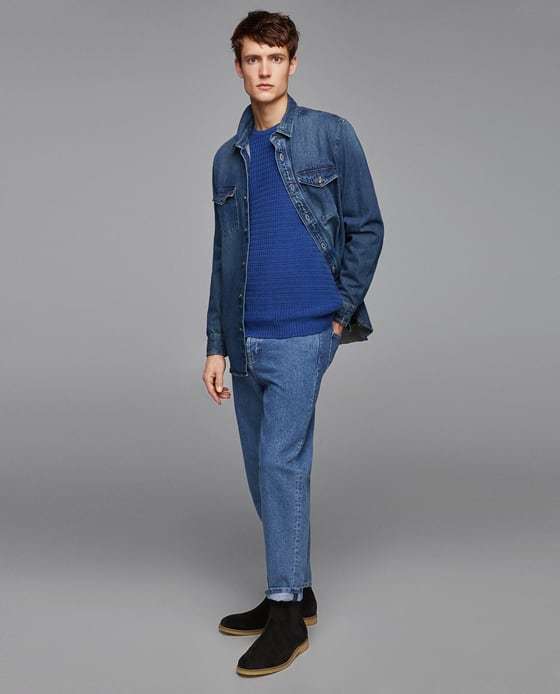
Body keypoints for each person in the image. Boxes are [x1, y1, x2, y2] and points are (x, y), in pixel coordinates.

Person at [202, 10, 384, 677]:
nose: (264, 70)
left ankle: (285, 614)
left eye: (274, 58)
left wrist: (339, 313)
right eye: (253, 59)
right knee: (261, 467)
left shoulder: (330, 135)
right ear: (238, 67)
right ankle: (296, 589)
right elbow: (223, 256)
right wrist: (215, 344)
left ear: (292, 64)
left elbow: (367, 226)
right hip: (244, 338)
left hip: (305, 333)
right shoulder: (228, 158)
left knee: (281, 464)